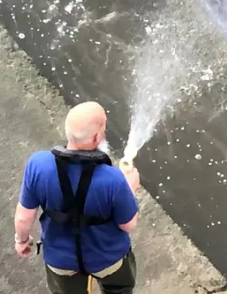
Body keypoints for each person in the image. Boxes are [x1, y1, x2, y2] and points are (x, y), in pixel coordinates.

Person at [13, 101, 142, 294]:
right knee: (119, 288)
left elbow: (24, 216)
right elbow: (128, 224)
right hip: (107, 257)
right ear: (97, 137)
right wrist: (129, 187)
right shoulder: (113, 179)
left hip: (60, 261)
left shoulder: (38, 165)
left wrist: (21, 241)